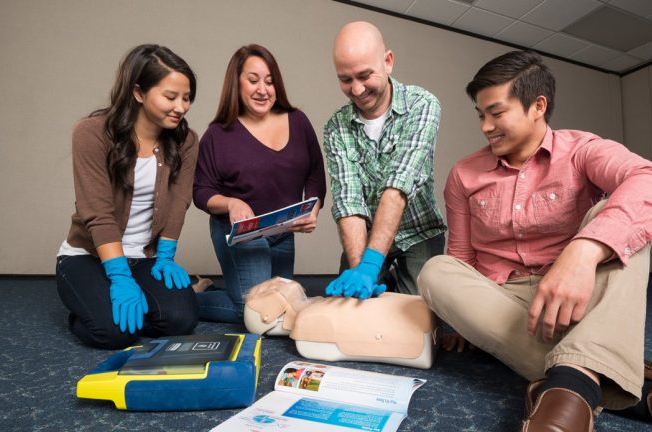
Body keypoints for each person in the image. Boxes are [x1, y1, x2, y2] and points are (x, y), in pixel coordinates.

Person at [417, 50, 652, 431]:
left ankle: (578, 381)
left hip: (575, 295)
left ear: (538, 106)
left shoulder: (582, 149)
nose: (486, 126)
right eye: (480, 115)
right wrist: (462, 320)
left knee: (616, 215)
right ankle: (602, 380)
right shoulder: (463, 174)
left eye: (496, 113)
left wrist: (584, 251)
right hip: (499, 298)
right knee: (436, 270)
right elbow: (461, 256)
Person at [56, 44, 199, 349]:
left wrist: (165, 255)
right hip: (89, 256)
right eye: (170, 97)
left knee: (180, 320)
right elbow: (97, 212)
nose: (181, 107)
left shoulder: (186, 140)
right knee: (113, 333)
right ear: (138, 92)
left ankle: (112, 307)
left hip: (145, 257)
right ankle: (92, 311)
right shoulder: (91, 133)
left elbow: (179, 201)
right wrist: (120, 276)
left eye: (186, 98)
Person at [193, 44, 326, 323]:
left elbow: (315, 173)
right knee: (254, 314)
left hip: (283, 231)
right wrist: (231, 203)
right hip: (243, 234)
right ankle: (184, 298)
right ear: (237, 82)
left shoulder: (298, 121)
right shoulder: (217, 134)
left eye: (270, 81)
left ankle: (212, 290)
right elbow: (201, 191)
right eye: (253, 80)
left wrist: (312, 209)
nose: (263, 90)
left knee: (280, 310)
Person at [323, 21, 447, 300]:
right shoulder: (336, 127)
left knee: (415, 311)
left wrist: (371, 267)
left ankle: (392, 281)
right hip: (367, 236)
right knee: (354, 304)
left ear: (388, 61)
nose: (357, 90)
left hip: (419, 232)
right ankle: (381, 280)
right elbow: (348, 201)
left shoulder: (422, 104)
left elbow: (397, 186)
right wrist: (361, 269)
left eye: (364, 76)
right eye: (345, 79)